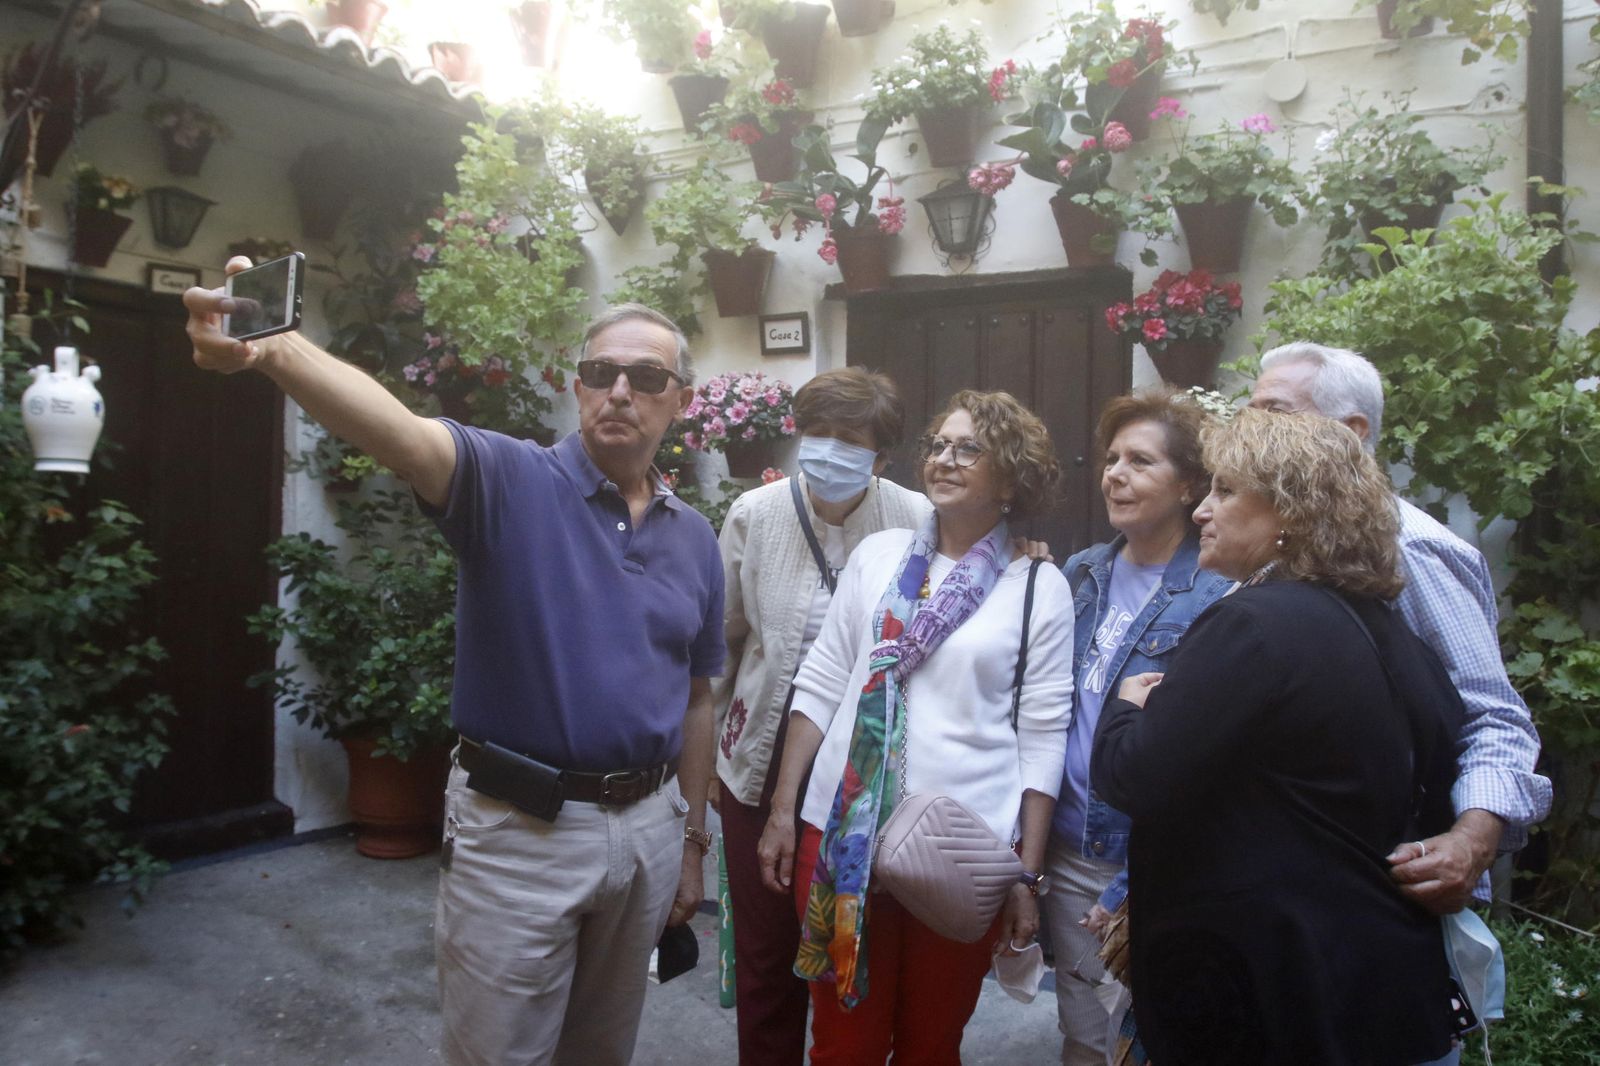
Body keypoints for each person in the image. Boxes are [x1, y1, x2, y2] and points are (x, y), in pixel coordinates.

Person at [184, 270, 721, 1066]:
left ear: (677, 401)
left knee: (601, 1054)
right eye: (602, 373)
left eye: (646, 378)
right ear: (577, 389)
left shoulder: (695, 538)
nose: (620, 392)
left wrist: (691, 844)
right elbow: (401, 432)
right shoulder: (509, 481)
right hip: (520, 835)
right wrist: (274, 351)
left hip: (645, 830)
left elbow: (699, 697)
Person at [1091, 408, 1464, 1065]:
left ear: (1292, 510)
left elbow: (1132, 777)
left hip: (1273, 1001)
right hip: (1384, 990)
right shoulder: (1391, 632)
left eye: (1226, 491)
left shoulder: (1252, 625)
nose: (1203, 511)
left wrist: (1125, 704)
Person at [757, 389, 1074, 1065]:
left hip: (958, 851)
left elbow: (1045, 736)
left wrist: (1027, 874)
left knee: (932, 1045)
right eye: (937, 446)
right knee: (845, 1043)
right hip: (841, 833)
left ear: (1012, 475)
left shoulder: (1037, 586)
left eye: (969, 448)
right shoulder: (879, 555)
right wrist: (785, 808)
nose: (945, 460)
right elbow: (819, 680)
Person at [1249, 342, 1551, 912]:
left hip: (1385, 893)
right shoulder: (1285, 536)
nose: (1254, 429)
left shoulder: (1407, 546)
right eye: (1251, 410)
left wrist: (1471, 840)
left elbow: (1492, 714)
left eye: (1276, 412)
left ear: (1352, 431)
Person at [712, 368, 929, 1064]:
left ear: (883, 457)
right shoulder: (755, 515)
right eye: (817, 434)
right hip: (764, 760)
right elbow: (725, 643)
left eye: (849, 439)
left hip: (867, 763)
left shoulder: (919, 518)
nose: (829, 450)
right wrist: (709, 762)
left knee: (850, 950)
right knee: (765, 955)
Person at [1041, 389, 1233, 1066]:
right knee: (1083, 1037)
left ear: (1189, 486)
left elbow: (1208, 764)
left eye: (1141, 461)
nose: (1115, 473)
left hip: (1153, 861)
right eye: (1112, 458)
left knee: (1154, 1038)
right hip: (1068, 849)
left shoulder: (1221, 593)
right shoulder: (1082, 572)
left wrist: (1129, 884)